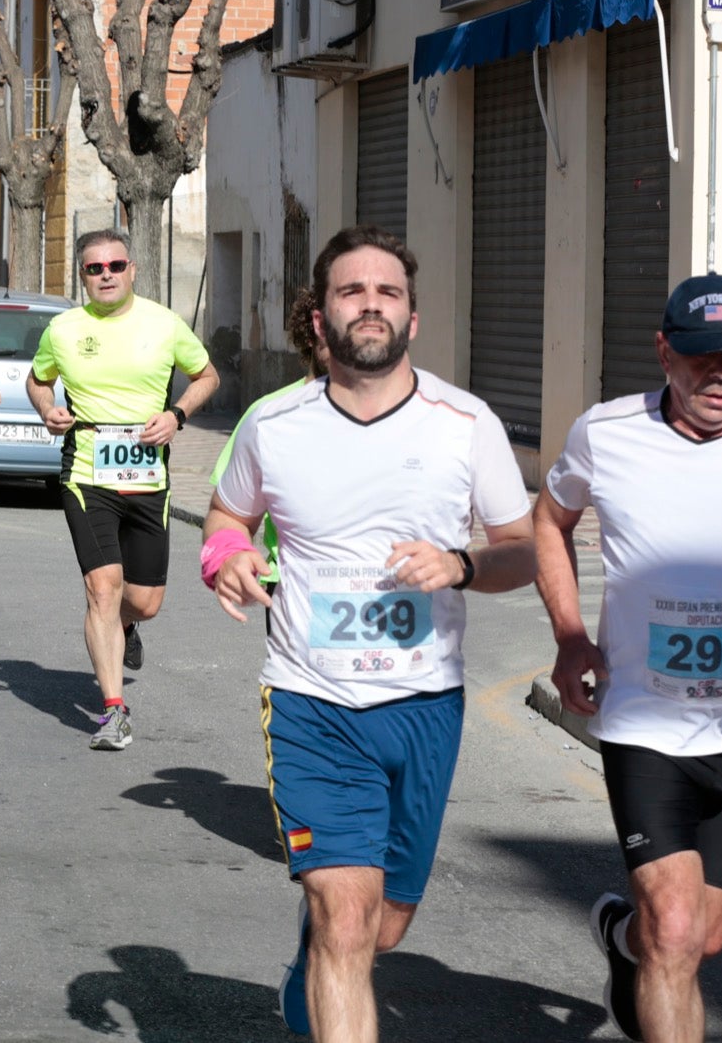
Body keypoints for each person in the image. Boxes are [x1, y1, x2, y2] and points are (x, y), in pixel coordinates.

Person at [202, 226, 536, 1041]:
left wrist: (461, 564)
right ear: (320, 318)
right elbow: (225, 518)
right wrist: (228, 561)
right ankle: (328, 937)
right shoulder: (272, 423)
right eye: (352, 292)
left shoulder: (467, 423)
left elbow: (523, 551)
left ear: (413, 318)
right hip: (313, 699)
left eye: (388, 292)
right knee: (346, 918)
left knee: (382, 922)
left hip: (424, 704)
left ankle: (316, 955)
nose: (371, 306)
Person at [533, 273, 722, 1043]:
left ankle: (623, 938)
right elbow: (549, 522)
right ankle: (650, 938)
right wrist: (568, 634)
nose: (720, 372)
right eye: (701, 355)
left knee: (700, 937)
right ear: (663, 350)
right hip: (643, 725)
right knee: (679, 928)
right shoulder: (606, 433)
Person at [25, 228, 220, 750]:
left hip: (149, 477)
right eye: (95, 268)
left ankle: (127, 628)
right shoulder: (63, 329)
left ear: (132, 269)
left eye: (115, 265)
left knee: (145, 600)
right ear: (83, 276)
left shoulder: (165, 323)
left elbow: (207, 376)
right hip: (87, 473)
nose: (106, 274)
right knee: (103, 588)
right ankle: (114, 711)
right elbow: (38, 379)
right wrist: (48, 409)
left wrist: (177, 415)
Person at [208, 287, 328, 596]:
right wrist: (229, 556)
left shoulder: (421, 418)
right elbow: (228, 514)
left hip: (397, 606)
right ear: (312, 330)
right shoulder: (268, 417)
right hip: (294, 592)